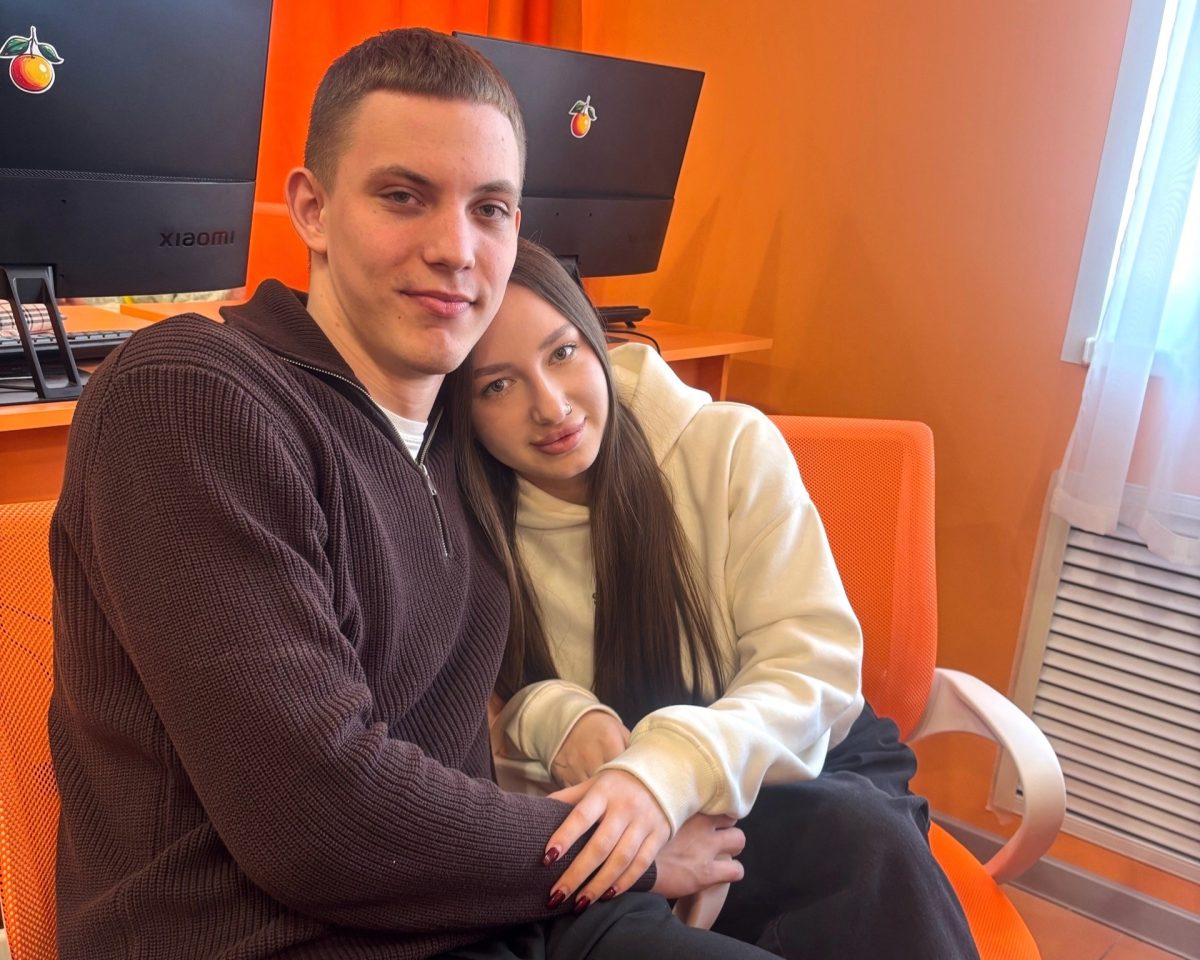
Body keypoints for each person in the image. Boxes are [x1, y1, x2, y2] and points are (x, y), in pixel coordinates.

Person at [47, 29, 769, 960]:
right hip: (272, 941)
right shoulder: (190, 394)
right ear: (312, 208)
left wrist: (645, 782)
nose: (455, 249)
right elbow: (317, 817)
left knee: (848, 844)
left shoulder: (464, 426)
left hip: (479, 912)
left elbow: (607, 396)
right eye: (403, 196)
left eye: (490, 209)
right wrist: (622, 847)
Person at [448, 237, 982, 959]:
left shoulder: (726, 447)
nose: (551, 406)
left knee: (866, 847)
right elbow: (474, 741)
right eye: (497, 387)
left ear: (597, 342)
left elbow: (814, 673)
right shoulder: (463, 522)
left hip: (786, 761)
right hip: (620, 810)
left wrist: (666, 775)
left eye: (563, 352)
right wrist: (556, 715)